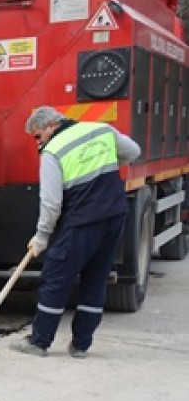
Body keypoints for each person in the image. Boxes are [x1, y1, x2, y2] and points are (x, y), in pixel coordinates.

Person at [14, 105, 141, 358]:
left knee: (56, 277)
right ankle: (81, 345)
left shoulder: (53, 151)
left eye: (38, 136)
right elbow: (133, 151)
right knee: (95, 278)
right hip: (114, 215)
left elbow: (51, 203)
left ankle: (39, 342)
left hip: (81, 220)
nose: (37, 143)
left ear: (51, 126)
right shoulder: (102, 130)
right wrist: (107, 167)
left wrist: (41, 237)